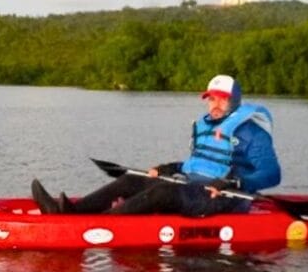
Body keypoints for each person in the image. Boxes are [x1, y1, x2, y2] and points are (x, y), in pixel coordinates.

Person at [31, 74, 281, 217]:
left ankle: (100, 225)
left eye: (221, 100)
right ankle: (70, 212)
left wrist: (235, 182)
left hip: (225, 197)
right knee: (131, 180)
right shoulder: (207, 126)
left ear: (235, 101)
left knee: (163, 192)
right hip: (193, 185)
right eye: (210, 98)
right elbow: (199, 164)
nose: (214, 104)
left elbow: (271, 174)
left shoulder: (251, 132)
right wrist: (169, 167)